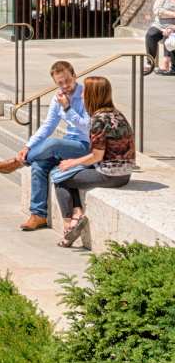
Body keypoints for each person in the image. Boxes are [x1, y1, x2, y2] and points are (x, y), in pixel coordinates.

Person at [0, 59, 89, 232]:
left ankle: (19, 162)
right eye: (60, 83)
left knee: (52, 143)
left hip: (86, 147)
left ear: (75, 76)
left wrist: (68, 108)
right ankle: (38, 215)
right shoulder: (58, 98)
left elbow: (87, 126)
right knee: (39, 165)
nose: (65, 85)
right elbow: (48, 126)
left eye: (68, 80)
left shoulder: (86, 95)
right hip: (69, 144)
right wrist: (28, 147)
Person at [49, 75, 135, 248]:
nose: (81, 95)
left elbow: (97, 156)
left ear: (93, 95)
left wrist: (72, 163)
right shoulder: (117, 114)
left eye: (85, 92)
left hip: (109, 175)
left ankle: (69, 225)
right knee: (71, 172)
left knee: (59, 175)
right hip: (125, 174)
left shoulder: (98, 119)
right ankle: (77, 211)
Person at [145, 0, 175, 73]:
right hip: (159, 24)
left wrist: (172, 26)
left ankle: (167, 63)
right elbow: (157, 10)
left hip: (173, 26)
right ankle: (150, 62)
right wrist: (173, 14)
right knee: (150, 34)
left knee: (170, 35)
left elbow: (161, 12)